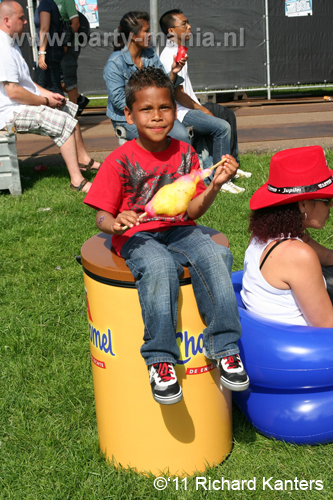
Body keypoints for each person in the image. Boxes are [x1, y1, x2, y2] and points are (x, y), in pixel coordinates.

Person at [84, 66, 249, 405]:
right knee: (159, 266)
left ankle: (224, 347)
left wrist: (215, 186)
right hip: (137, 237)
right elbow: (101, 214)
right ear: (129, 115)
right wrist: (114, 222)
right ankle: (160, 360)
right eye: (146, 109)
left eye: (165, 108)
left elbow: (191, 211)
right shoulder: (119, 160)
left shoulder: (185, 154)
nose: (157, 117)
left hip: (179, 229)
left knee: (214, 256)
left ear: (175, 112)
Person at [0, 1, 100, 192]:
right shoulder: (2, 48)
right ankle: (77, 181)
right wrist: (45, 102)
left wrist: (50, 95)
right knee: (63, 122)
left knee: (69, 108)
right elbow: (13, 91)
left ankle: (84, 161)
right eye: (21, 18)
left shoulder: (11, 44)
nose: (26, 22)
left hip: (18, 105)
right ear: (7, 20)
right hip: (8, 113)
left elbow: (26, 83)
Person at [241, 146, 333, 327]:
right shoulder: (296, 254)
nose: (330, 207)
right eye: (327, 200)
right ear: (304, 205)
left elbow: (329, 257)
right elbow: (327, 326)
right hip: (308, 348)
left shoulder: (267, 236)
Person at [159, 10, 239, 180]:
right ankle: (221, 178)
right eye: (184, 24)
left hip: (190, 106)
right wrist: (202, 109)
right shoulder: (169, 55)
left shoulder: (180, 50)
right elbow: (177, 94)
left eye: (188, 23)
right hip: (182, 112)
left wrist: (202, 108)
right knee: (222, 127)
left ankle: (233, 167)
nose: (189, 27)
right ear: (171, 31)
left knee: (228, 115)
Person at [103, 11, 191, 144]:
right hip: (127, 118)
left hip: (154, 113)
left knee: (182, 136)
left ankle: (183, 164)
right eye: (146, 31)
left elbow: (164, 85)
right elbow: (118, 100)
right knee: (159, 138)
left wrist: (174, 71)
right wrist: (146, 110)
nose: (150, 34)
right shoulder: (115, 62)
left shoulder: (150, 54)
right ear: (133, 36)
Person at [54, 0, 89, 114]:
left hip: (70, 46)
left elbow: (76, 23)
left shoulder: (67, 1)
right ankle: (80, 100)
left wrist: (65, 43)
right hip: (54, 46)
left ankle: (73, 117)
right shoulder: (46, 2)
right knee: (56, 80)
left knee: (69, 81)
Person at [34, 0, 64, 94]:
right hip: (53, 49)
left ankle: (66, 108)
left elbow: (44, 28)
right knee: (52, 86)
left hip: (49, 50)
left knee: (40, 87)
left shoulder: (45, 3)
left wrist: (42, 53)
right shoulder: (49, 3)